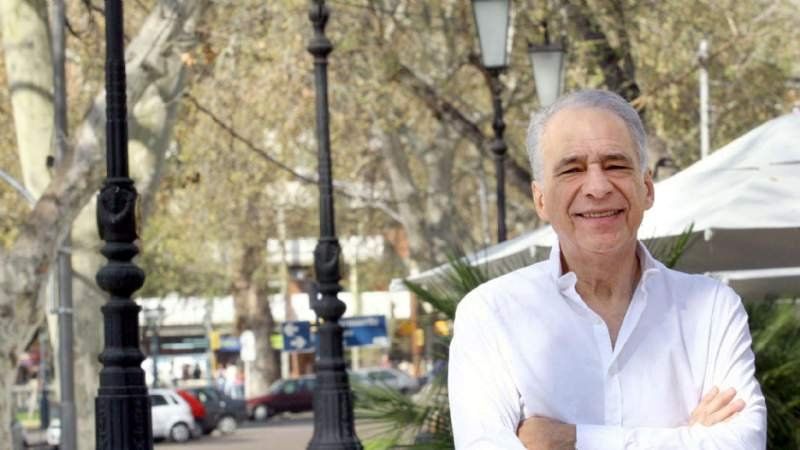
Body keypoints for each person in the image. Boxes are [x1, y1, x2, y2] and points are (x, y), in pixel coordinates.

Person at [448, 89, 766, 449]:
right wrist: (689, 438)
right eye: (572, 169)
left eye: (615, 165)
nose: (598, 188)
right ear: (541, 199)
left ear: (646, 188)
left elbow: (743, 443)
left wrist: (571, 440)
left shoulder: (712, 308)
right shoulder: (491, 316)